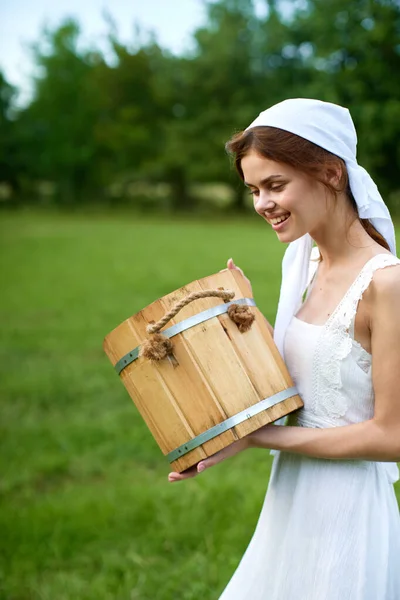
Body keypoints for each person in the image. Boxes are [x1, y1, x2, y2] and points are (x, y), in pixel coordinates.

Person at [168, 99, 400, 599]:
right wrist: (242, 319)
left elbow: (392, 435)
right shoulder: (307, 263)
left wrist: (258, 439)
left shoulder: (387, 285)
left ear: (331, 173)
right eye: (254, 190)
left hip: (346, 513)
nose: (262, 204)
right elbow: (312, 377)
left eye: (275, 185)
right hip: (291, 497)